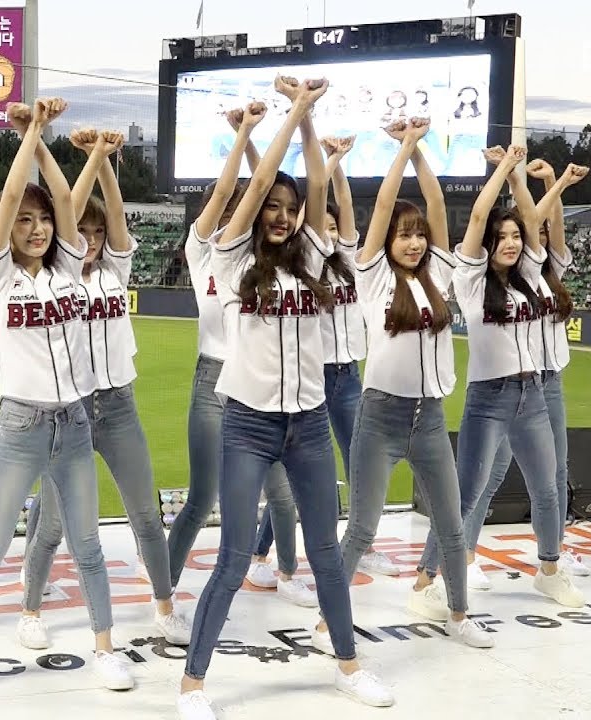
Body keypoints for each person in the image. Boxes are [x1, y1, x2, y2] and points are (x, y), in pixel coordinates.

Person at [177, 77, 392, 720]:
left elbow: (319, 183)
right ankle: (192, 684)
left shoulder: (316, 257)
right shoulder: (231, 259)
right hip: (247, 424)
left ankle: (348, 666)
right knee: (233, 557)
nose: (281, 214)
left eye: (289, 208)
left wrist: (310, 121)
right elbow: (242, 195)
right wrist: (294, 110)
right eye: (270, 205)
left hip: (309, 423)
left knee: (326, 550)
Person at [0, 98, 133, 709]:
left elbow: (66, 201)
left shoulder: (69, 267)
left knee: (88, 546)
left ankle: (105, 648)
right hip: (21, 425)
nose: (37, 228)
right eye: (25, 221)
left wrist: (42, 137)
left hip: (74, 423)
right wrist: (28, 139)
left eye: (43, 219)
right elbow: (8, 198)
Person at [19, 127, 189, 649]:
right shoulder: (59, 275)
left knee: (146, 514)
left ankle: (165, 607)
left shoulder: (116, 268)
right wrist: (93, 156)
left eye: (97, 232)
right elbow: (68, 207)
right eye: (84, 231)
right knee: (53, 524)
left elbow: (115, 214)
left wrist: (109, 163)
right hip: (70, 410)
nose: (91, 239)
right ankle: (30, 609)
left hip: (118, 405)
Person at [336, 118, 492, 649]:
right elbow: (383, 205)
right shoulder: (371, 275)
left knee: (451, 524)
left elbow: (438, 202)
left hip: (429, 419)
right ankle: (330, 620)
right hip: (379, 417)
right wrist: (401, 149)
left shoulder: (438, 275)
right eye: (404, 235)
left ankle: (458, 614)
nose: (414, 242)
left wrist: (420, 151)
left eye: (419, 235)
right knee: (362, 529)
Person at [417, 149, 587, 609]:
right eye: (502, 237)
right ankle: (427, 577)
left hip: (533, 394)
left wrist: (527, 183)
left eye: (516, 236)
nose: (512, 243)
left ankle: (549, 570)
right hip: (489, 398)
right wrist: (504, 172)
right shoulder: (470, 280)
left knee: (548, 486)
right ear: (487, 243)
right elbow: (478, 216)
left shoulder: (530, 275)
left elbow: (534, 220)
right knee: (466, 493)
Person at [248, 134, 401, 596]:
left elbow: (346, 204)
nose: (332, 234)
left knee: (361, 464)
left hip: (348, 375)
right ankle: (259, 552)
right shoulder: (303, 265)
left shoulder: (351, 262)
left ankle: (362, 542)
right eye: (325, 228)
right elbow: (310, 207)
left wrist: (338, 164)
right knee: (298, 480)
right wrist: (325, 164)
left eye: (336, 229)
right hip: (314, 377)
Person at [168, 102, 305, 608]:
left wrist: (255, 143)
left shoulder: (256, 258)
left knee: (283, 493)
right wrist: (243, 134)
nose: (230, 220)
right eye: (223, 213)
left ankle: (286, 573)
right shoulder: (203, 252)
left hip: (255, 382)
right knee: (202, 497)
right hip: (212, 381)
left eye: (237, 215)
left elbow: (263, 189)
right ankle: (164, 589)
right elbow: (231, 191)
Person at [465, 159, 591, 587]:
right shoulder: (513, 276)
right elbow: (528, 217)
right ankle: (464, 555)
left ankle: (552, 554)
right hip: (507, 385)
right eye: (515, 234)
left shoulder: (547, 273)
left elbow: (545, 224)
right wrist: (533, 179)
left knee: (553, 475)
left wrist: (553, 182)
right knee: (488, 475)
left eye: (525, 235)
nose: (533, 236)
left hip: (545, 383)